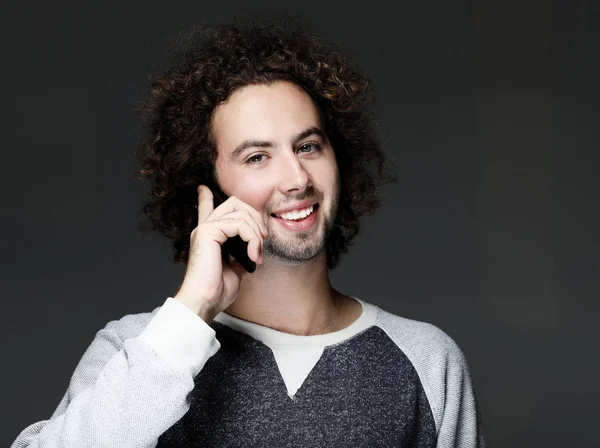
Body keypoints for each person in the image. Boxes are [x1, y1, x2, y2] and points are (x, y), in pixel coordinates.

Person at [12, 15, 484, 448]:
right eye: (258, 157)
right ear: (207, 188)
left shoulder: (427, 360)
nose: (297, 178)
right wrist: (191, 312)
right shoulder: (140, 349)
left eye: (309, 146)